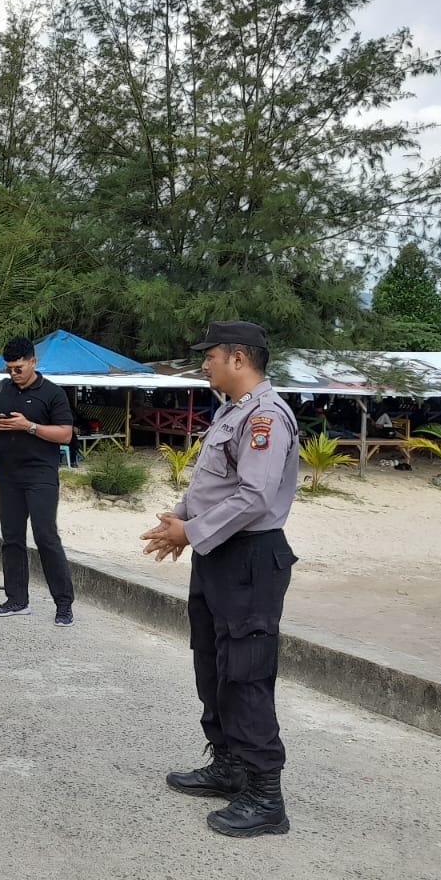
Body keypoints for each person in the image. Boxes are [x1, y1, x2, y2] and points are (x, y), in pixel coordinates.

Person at [139, 320, 300, 839]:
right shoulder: (232, 412)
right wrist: (181, 519)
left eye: (209, 356)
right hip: (218, 553)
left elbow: (255, 496)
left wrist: (191, 532)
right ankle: (229, 765)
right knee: (212, 664)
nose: (204, 364)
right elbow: (212, 485)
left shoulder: (266, 417)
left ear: (238, 358)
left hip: (249, 558)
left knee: (246, 672)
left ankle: (266, 796)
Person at [0, 336, 76, 625]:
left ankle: (64, 604)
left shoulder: (53, 393)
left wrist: (29, 426)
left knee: (45, 536)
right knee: (12, 538)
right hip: (7, 473)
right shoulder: (2, 388)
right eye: (9, 368)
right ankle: (17, 600)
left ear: (33, 362)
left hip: (40, 474)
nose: (14, 373)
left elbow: (65, 434)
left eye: (19, 368)